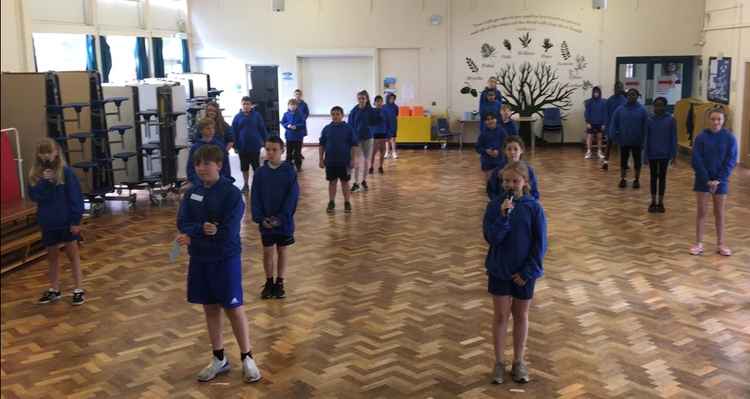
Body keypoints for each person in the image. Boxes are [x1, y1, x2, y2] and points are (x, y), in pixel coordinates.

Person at [176, 144, 262, 384]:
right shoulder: (191, 192)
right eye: (198, 164)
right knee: (210, 308)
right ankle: (219, 358)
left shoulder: (232, 194)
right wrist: (198, 231)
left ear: (220, 165)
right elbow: (183, 223)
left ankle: (247, 357)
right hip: (200, 258)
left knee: (234, 308)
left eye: (207, 163)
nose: (201, 168)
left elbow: (228, 231)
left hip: (225, 258)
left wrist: (198, 234)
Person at [483, 161, 547, 385]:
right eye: (506, 181)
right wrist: (503, 217)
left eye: (515, 181)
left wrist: (528, 271)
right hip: (500, 269)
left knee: (521, 316)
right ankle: (499, 362)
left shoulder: (534, 207)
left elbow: (540, 244)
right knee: (500, 316)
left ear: (525, 182)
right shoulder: (494, 206)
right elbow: (492, 238)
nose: (510, 185)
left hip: (523, 273)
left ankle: (518, 361)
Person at [29, 138, 85, 306]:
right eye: (43, 153)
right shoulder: (35, 174)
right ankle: (54, 289)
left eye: (49, 152)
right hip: (48, 222)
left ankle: (78, 289)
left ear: (56, 152)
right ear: (38, 155)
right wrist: (45, 182)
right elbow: (34, 196)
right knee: (52, 257)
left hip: (66, 221)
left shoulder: (66, 172)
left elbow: (75, 197)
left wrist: (76, 220)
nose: (46, 156)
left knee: (72, 255)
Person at [251, 136, 299, 299]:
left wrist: (281, 218)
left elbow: (292, 198)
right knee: (267, 251)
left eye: (274, 150)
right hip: (265, 221)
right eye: (268, 149)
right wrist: (260, 218)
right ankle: (269, 282)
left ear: (282, 151)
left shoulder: (289, 172)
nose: (270, 153)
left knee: (282, 250)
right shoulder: (260, 173)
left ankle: (280, 282)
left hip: (283, 222)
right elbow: (255, 197)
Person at [690, 108, 737, 256]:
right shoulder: (701, 137)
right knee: (701, 212)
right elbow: (696, 159)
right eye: (713, 119)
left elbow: (731, 160)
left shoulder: (730, 138)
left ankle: (721, 244)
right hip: (702, 181)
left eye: (719, 119)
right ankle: (698, 243)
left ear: (724, 121)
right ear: (708, 120)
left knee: (719, 213)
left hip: (720, 182)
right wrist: (707, 179)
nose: (716, 122)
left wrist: (718, 179)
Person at [320, 106, 359, 213]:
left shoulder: (348, 128)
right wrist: (321, 159)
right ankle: (331, 202)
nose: (335, 116)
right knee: (332, 182)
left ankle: (347, 202)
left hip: (344, 161)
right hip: (331, 161)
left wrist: (353, 159)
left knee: (345, 182)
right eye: (333, 114)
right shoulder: (327, 129)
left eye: (337, 114)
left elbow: (354, 145)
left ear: (342, 115)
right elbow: (322, 145)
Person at [643, 97, 677, 213]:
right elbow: (646, 138)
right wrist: (645, 155)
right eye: (656, 105)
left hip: (664, 154)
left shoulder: (671, 120)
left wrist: (674, 155)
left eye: (661, 105)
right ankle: (653, 201)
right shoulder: (649, 120)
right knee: (653, 178)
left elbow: (673, 138)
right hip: (652, 153)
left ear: (665, 106)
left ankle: (661, 202)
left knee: (662, 178)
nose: (658, 108)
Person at [610, 89, 648, 189]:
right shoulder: (620, 109)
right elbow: (614, 123)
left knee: (637, 162)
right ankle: (623, 179)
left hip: (637, 141)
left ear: (637, 96)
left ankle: (637, 179)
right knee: (623, 161)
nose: (632, 97)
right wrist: (614, 136)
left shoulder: (642, 110)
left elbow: (646, 126)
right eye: (630, 95)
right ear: (627, 96)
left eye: (634, 95)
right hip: (624, 140)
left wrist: (645, 140)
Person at [231, 96, 267, 193]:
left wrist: (266, 142)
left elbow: (262, 129)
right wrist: (234, 146)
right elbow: (233, 132)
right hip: (242, 147)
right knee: (244, 167)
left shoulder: (257, 116)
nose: (246, 106)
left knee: (256, 167)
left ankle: (257, 185)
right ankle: (246, 184)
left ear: (251, 105)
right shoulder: (237, 117)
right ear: (241, 105)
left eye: (248, 104)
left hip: (255, 146)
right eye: (244, 104)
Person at [487, 136, 539, 201]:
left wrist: (528, 204)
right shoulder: (497, 171)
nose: (512, 152)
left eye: (515, 149)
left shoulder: (529, 170)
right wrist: (498, 203)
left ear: (521, 150)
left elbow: (534, 192)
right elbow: (491, 191)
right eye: (509, 149)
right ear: (504, 151)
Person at [186, 118, 231, 190]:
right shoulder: (195, 147)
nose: (211, 131)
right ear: (201, 131)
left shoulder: (220, 146)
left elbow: (226, 165)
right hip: (200, 184)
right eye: (208, 128)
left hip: (218, 184)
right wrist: (197, 182)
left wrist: (224, 181)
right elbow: (191, 168)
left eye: (213, 128)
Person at [348, 90, 379, 192]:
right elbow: (350, 126)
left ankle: (364, 181)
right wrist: (352, 138)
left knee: (366, 160)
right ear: (357, 99)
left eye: (363, 98)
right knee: (357, 161)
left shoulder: (371, 110)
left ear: (367, 99)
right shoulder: (354, 111)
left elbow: (376, 122)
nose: (361, 100)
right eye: (359, 98)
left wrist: (378, 111)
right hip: (357, 139)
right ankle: (356, 183)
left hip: (368, 138)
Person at [602, 81, 627, 170]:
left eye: (620, 88)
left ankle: (624, 163)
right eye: (617, 88)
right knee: (609, 144)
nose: (619, 89)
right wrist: (607, 127)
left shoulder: (625, 100)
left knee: (623, 146)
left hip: (622, 126)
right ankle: (605, 162)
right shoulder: (609, 100)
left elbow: (626, 114)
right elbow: (606, 114)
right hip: (611, 126)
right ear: (614, 88)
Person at [476, 113, 508, 180]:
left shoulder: (502, 131)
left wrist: (498, 151)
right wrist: (486, 151)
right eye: (487, 119)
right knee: (489, 181)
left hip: (500, 161)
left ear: (496, 119)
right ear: (484, 122)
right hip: (487, 162)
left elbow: (506, 145)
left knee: (500, 180)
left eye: (492, 119)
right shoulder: (483, 133)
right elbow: (478, 148)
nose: (490, 121)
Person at [280, 99, 305, 171]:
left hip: (298, 137)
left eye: (294, 105)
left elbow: (303, 124)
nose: (292, 106)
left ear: (297, 106)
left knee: (297, 153)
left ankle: (298, 166)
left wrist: (296, 126)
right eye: (291, 105)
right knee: (289, 152)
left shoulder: (300, 114)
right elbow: (283, 122)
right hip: (289, 137)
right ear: (288, 106)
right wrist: (287, 125)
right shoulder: (286, 114)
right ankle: (288, 165)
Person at [584, 86, 607, 159]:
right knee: (589, 137)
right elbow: (586, 113)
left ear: (599, 93)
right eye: (594, 92)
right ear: (593, 93)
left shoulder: (603, 102)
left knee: (599, 138)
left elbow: (605, 113)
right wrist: (588, 122)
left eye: (597, 92)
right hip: (591, 123)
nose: (596, 94)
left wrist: (604, 123)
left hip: (600, 123)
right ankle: (588, 152)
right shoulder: (589, 102)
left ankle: (599, 152)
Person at [369, 95, 389, 174]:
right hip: (375, 133)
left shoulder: (385, 112)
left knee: (382, 151)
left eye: (380, 101)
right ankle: (371, 166)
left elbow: (388, 123)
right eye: (377, 101)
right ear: (374, 103)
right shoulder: (372, 112)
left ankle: (380, 166)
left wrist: (388, 134)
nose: (379, 103)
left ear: (382, 102)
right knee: (373, 152)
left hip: (383, 133)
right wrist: (371, 133)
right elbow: (370, 123)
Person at [383, 93, 399, 159]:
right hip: (385, 124)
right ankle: (387, 152)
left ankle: (394, 152)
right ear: (388, 99)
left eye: (393, 98)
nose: (392, 99)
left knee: (393, 138)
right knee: (386, 139)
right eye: (391, 98)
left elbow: (397, 114)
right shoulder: (383, 106)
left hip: (393, 124)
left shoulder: (396, 107)